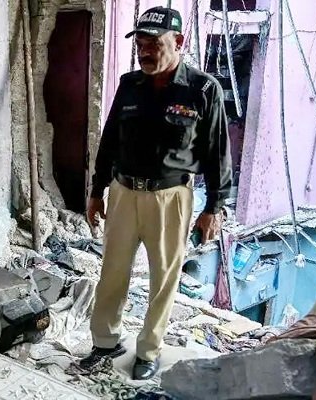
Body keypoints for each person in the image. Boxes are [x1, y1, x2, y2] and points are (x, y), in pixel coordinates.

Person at [80, 6, 232, 380]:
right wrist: (97, 190)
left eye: (154, 44)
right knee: (112, 271)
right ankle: (105, 342)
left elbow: (217, 152)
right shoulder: (129, 85)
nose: (145, 52)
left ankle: (149, 349)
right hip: (123, 192)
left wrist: (214, 207)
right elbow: (109, 140)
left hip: (171, 198)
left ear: (178, 41)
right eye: (141, 45)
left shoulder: (203, 89)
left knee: (164, 277)